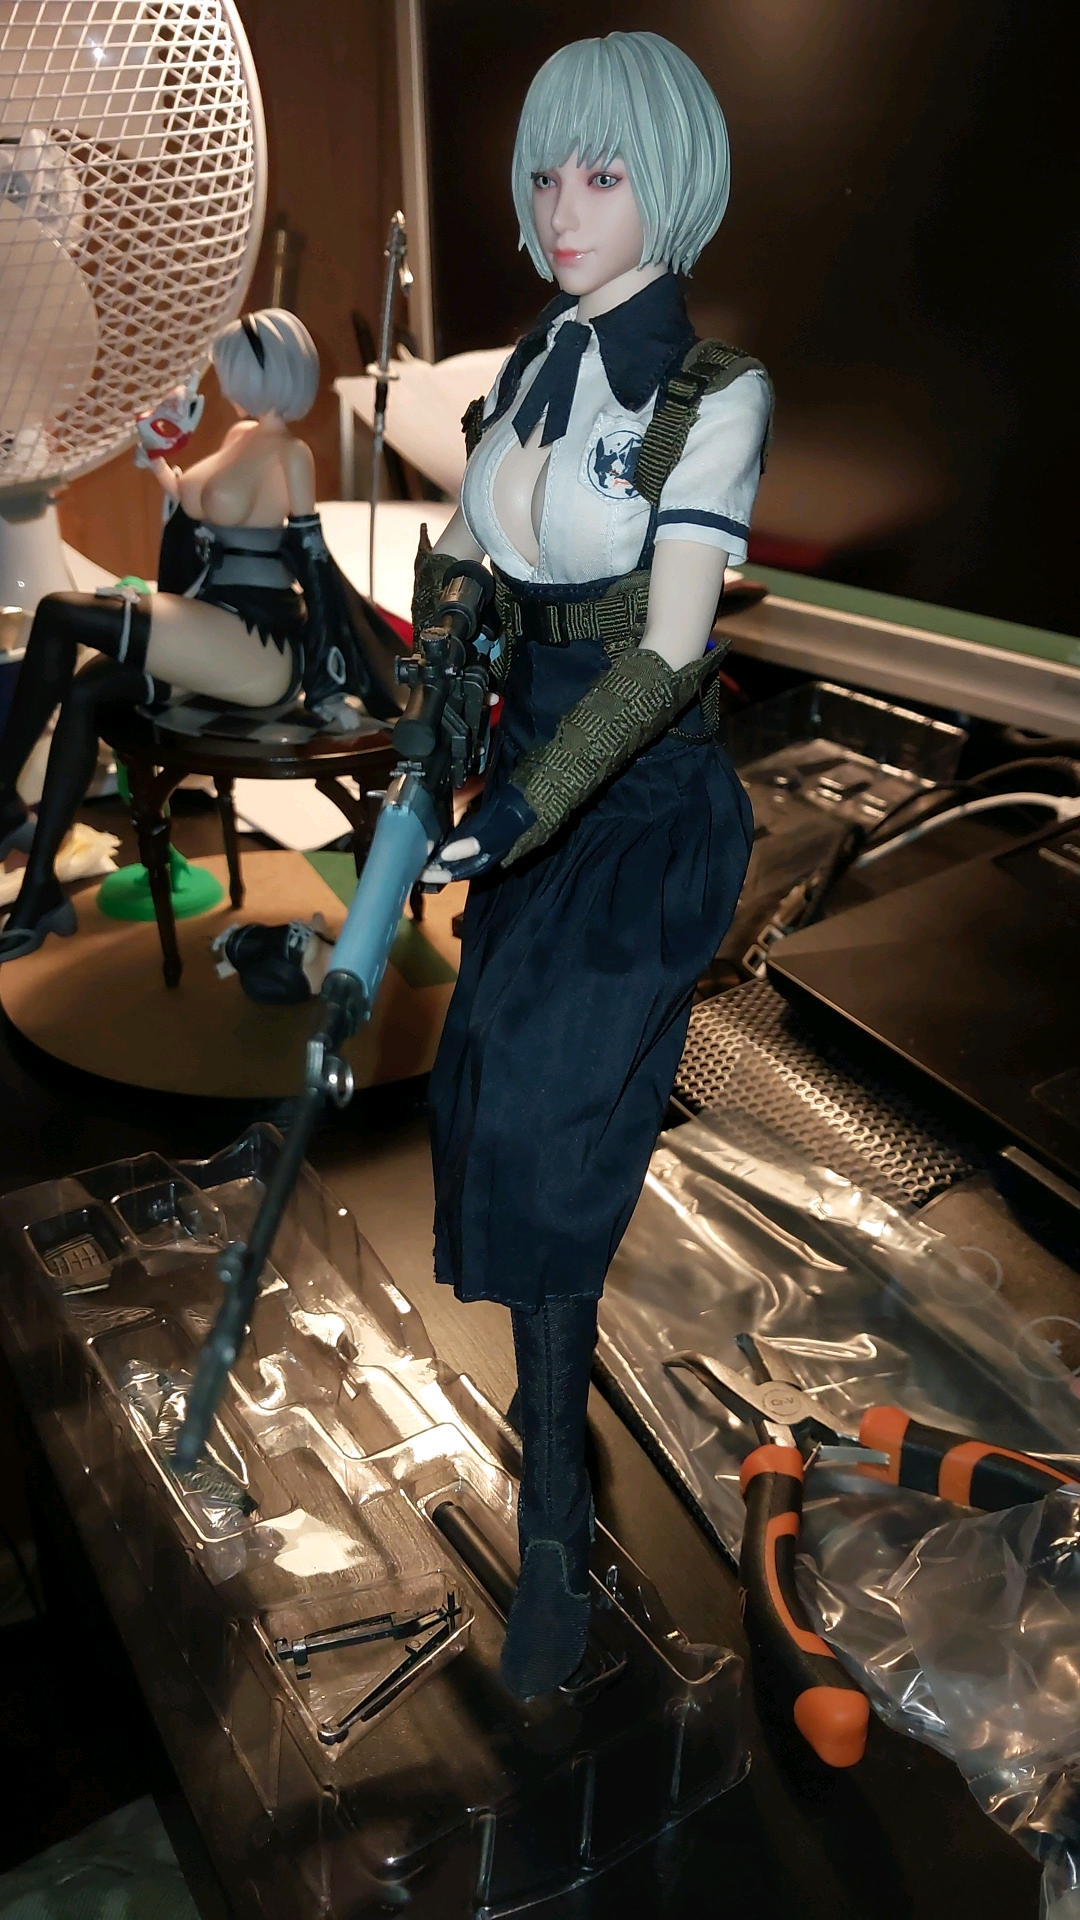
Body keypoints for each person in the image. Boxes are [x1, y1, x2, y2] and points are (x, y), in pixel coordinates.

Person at [418, 31, 772, 1701]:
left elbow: (668, 658)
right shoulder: (532, 362)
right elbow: (469, 568)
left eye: (605, 174)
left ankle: (553, 1508)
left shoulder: (713, 393)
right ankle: (553, 1403)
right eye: (548, 173)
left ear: (670, 180)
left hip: (633, 813)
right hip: (521, 790)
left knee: (550, 1138)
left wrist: (523, 809)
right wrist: (431, 728)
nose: (566, 208)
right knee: (491, 1102)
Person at [0, 308, 400, 962]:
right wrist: (158, 456)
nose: (225, 381)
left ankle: (0, 802)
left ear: (268, 373)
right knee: (87, 690)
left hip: (256, 648)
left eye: (233, 369)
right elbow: (190, 501)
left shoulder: (291, 454)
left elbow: (314, 562)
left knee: (60, 612)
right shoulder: (240, 435)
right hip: (207, 630)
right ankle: (40, 887)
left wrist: (328, 684)